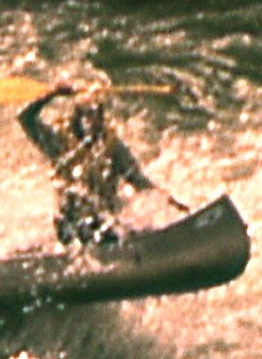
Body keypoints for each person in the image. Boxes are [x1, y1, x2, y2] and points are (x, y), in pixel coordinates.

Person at [18, 81, 164, 248]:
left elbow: (137, 179)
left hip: (105, 220)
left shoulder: (112, 145)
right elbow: (25, 118)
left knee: (121, 225)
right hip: (71, 222)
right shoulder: (58, 141)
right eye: (86, 115)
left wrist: (168, 199)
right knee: (82, 219)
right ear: (77, 117)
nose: (92, 122)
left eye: (96, 115)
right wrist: (52, 94)